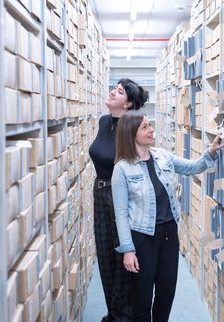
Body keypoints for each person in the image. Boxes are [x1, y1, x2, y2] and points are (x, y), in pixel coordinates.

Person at [111, 110, 224, 322]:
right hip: (143, 238)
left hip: (169, 234)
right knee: (142, 297)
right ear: (130, 134)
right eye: (145, 127)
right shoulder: (122, 169)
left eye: (149, 124)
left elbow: (192, 168)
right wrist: (128, 250)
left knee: (166, 293)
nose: (151, 129)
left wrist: (211, 152)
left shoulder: (163, 156)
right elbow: (121, 213)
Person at [89, 79, 149, 322]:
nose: (113, 91)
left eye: (120, 91)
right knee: (105, 259)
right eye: (115, 87)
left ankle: (123, 317)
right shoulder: (104, 121)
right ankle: (113, 314)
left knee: (122, 258)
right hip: (100, 194)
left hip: (121, 197)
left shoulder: (132, 128)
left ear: (128, 105)